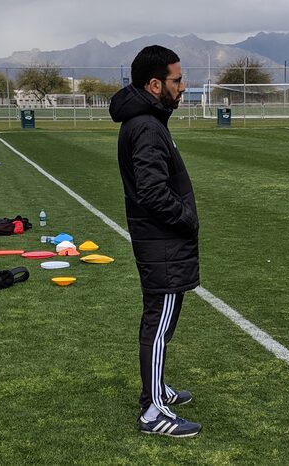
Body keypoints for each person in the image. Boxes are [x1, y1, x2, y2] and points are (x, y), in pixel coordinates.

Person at [109, 45, 201, 437]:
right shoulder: (146, 126)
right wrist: (186, 219)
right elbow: (151, 192)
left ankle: (156, 389)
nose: (183, 87)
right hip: (162, 243)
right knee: (158, 326)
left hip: (162, 243)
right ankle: (153, 412)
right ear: (154, 84)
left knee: (160, 323)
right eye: (176, 80)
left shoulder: (149, 120)